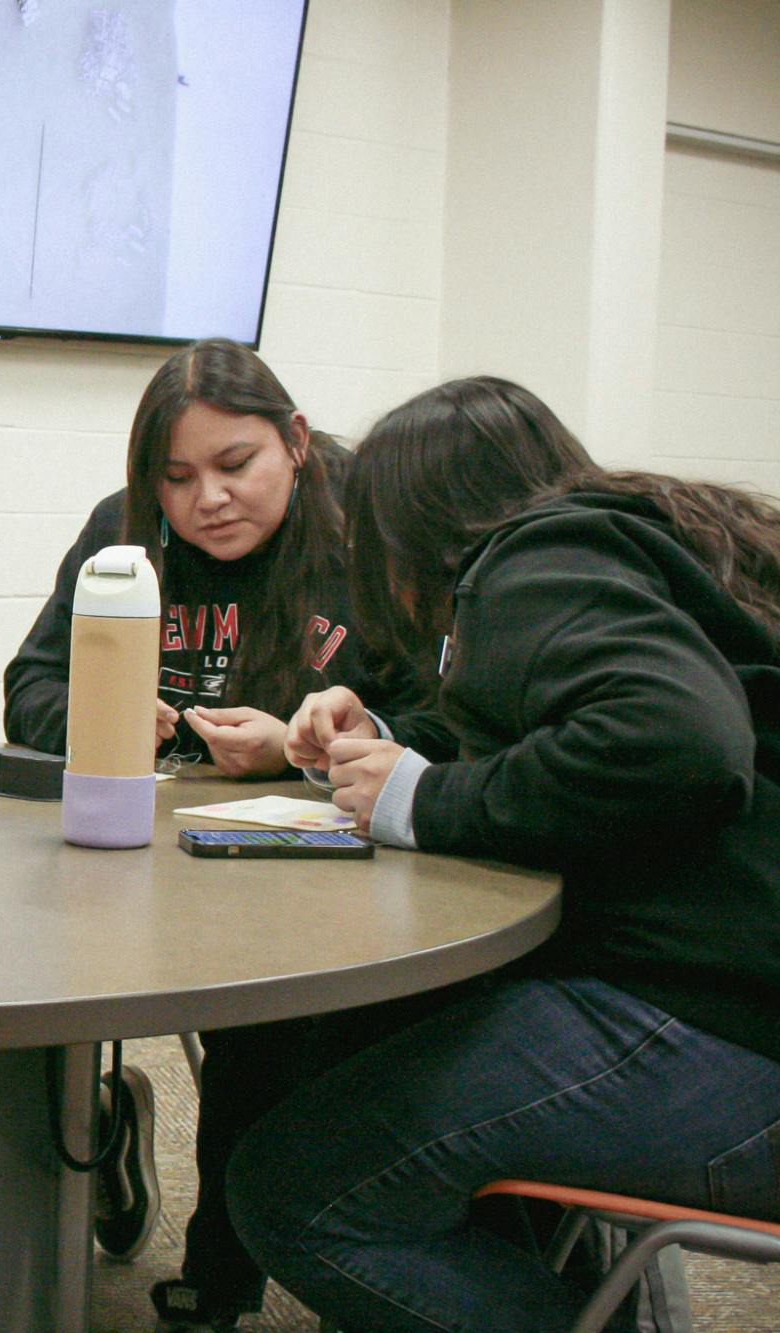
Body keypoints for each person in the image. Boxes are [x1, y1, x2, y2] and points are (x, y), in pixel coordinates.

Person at [228, 377, 780, 1332]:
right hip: (733, 1000)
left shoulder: (533, 559)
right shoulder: (632, 538)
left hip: (728, 1040)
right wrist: (399, 739)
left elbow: (677, 744)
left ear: (409, 526)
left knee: (295, 1191)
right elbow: (571, 722)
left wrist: (423, 796)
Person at [4, 338, 403, 1331]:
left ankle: (214, 1279)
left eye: (235, 466)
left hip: (307, 870)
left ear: (296, 444)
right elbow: (29, 689)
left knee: (259, 1029)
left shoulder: (361, 538)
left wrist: (297, 747)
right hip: (143, 848)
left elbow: (416, 719)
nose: (206, 500)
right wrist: (96, 712)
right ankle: (87, 1130)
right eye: (174, 478)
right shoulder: (121, 537)